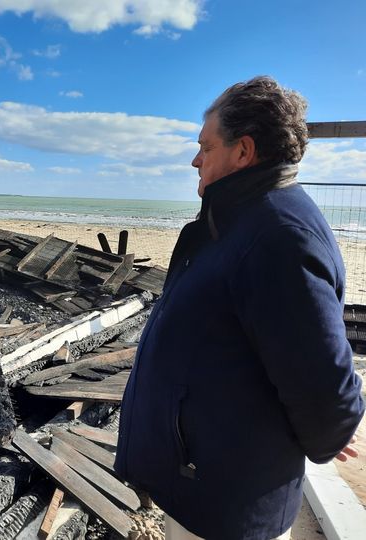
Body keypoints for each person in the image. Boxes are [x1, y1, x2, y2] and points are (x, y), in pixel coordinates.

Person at [114, 76, 364, 539]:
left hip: (228, 505)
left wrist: (334, 423)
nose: (195, 159)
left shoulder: (279, 238)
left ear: (243, 152)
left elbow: (324, 389)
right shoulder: (238, 222)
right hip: (205, 488)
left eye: (205, 147)